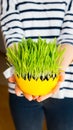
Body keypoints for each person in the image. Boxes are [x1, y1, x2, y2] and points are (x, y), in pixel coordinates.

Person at [0, 0, 73, 130]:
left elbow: (69, 37)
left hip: (66, 88)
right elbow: (13, 36)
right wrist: (21, 66)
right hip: (22, 89)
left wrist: (60, 69)